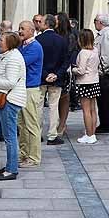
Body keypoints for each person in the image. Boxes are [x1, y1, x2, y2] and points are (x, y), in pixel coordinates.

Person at [0, 31, 27, 180]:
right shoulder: (8, 56)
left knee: (10, 137)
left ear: (9, 43)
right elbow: (3, 76)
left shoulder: (13, 58)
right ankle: (11, 164)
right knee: (9, 136)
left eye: (2, 40)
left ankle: (11, 170)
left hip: (11, 99)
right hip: (9, 99)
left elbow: (10, 82)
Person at [16, 21, 44, 167]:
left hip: (30, 89)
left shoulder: (35, 47)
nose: (19, 31)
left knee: (31, 124)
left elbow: (20, 63)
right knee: (22, 124)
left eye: (22, 29)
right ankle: (23, 153)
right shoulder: (22, 46)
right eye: (19, 28)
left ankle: (34, 157)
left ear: (32, 31)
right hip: (22, 89)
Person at [38, 14, 69, 146]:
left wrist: (45, 75)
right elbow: (66, 60)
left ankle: (37, 134)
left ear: (45, 24)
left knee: (38, 107)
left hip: (41, 78)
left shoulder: (38, 39)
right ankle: (52, 135)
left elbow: (37, 61)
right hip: (56, 78)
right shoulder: (61, 40)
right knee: (53, 107)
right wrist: (56, 74)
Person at [68, 28, 101, 144]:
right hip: (94, 81)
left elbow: (81, 71)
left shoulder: (83, 53)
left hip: (84, 82)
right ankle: (93, 133)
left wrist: (73, 69)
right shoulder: (95, 50)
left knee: (86, 110)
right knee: (93, 109)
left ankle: (89, 134)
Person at [93, 14, 109, 133]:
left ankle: (105, 124)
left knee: (104, 99)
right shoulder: (104, 34)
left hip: (104, 73)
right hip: (104, 72)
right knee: (102, 99)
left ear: (100, 22)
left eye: (95, 21)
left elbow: (106, 57)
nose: (94, 23)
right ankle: (104, 122)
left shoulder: (106, 35)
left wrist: (100, 71)